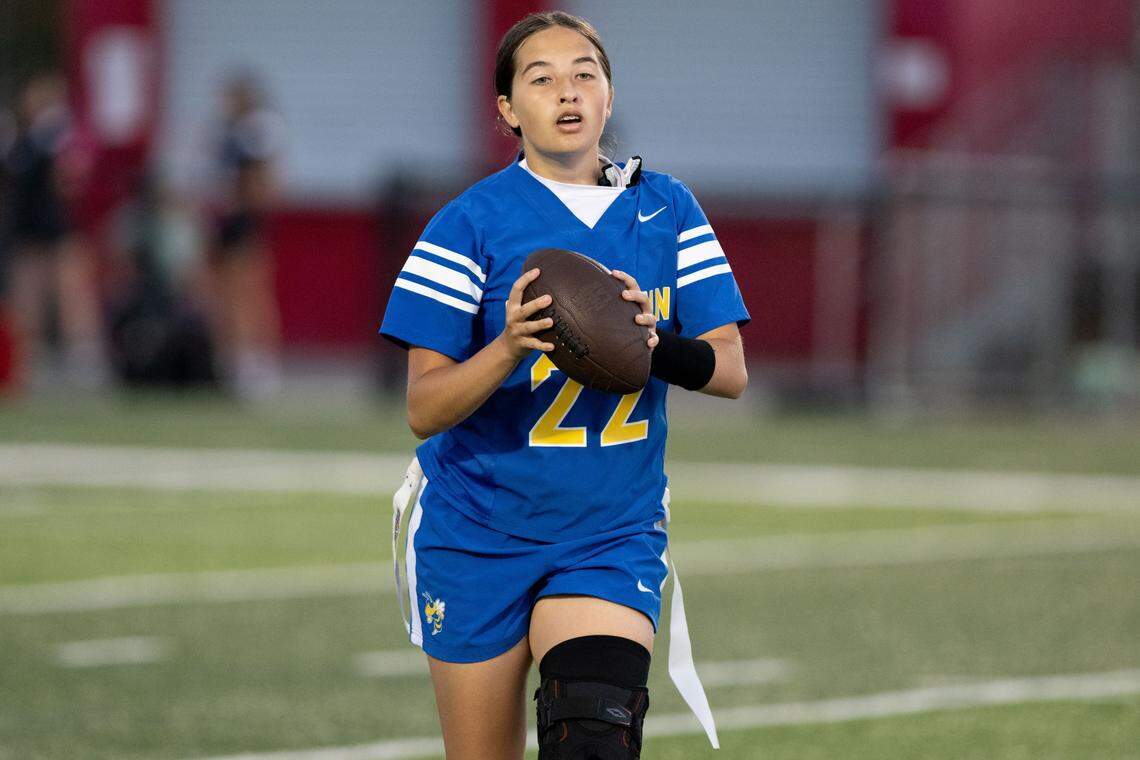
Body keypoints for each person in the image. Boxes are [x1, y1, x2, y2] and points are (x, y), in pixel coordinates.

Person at [380, 12, 749, 759]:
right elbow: (423, 407)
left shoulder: (666, 209)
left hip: (608, 533)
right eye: (541, 79)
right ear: (509, 111)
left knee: (593, 736)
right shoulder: (467, 224)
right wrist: (510, 346)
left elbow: (730, 371)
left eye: (585, 73)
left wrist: (655, 344)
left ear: (609, 96)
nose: (568, 92)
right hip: (478, 529)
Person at [1, 72, 107, 390]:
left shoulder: (59, 135)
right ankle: (29, 360)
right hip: (25, 226)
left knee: (70, 291)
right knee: (27, 296)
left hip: (55, 225)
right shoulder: (19, 140)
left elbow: (72, 177)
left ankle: (84, 358)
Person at [207, 73, 284, 400]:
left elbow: (262, 179)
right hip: (225, 221)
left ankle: (259, 363)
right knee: (225, 293)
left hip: (243, 222)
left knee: (249, 291)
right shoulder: (228, 131)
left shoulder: (256, 129)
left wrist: (248, 208)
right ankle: (235, 360)